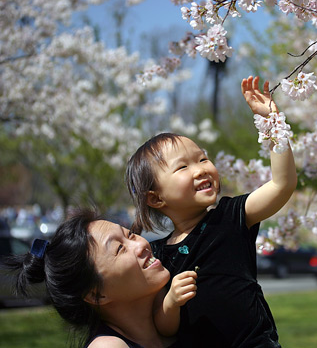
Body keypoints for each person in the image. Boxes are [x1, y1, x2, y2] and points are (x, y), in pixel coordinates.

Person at [125, 75, 297, 347]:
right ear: (155, 198)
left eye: (203, 158)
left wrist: (273, 124)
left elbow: (282, 185)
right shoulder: (158, 255)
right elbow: (164, 328)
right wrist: (171, 302)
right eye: (183, 167)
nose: (201, 168)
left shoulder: (230, 217)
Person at [4, 209, 197, 348]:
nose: (141, 246)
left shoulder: (181, 306)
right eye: (120, 249)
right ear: (96, 295)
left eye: (130, 234)